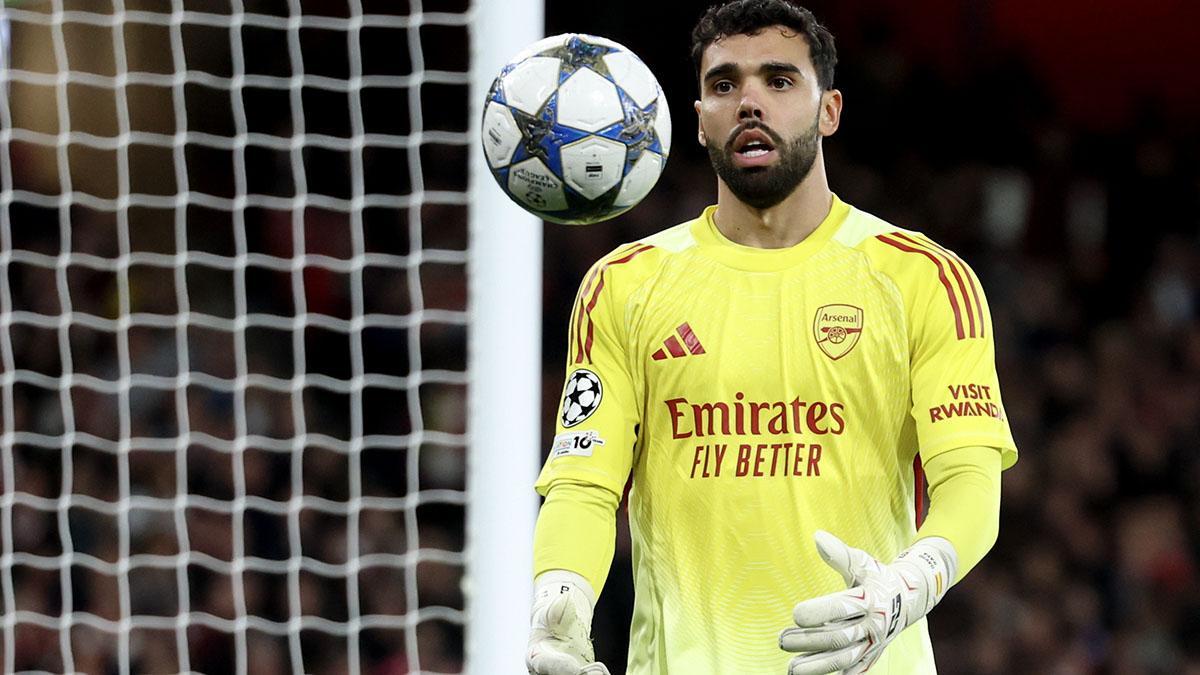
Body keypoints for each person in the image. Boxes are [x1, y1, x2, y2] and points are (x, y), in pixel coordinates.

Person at [525, 1, 1019, 673]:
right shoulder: (624, 285)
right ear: (698, 121)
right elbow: (583, 484)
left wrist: (909, 584)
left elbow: (970, 480)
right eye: (724, 85)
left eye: (779, 80)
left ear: (830, 110)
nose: (749, 101)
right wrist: (562, 598)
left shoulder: (923, 278)